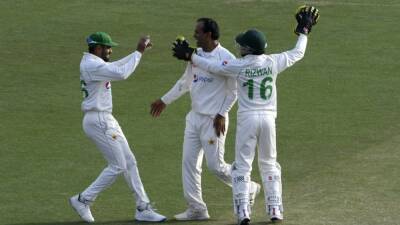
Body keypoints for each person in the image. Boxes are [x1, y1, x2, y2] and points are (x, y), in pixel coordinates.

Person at [172, 6, 320, 225]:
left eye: (242, 45)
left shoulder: (238, 66)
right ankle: (275, 210)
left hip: (248, 119)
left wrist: (191, 55)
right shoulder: (273, 62)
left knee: (242, 166)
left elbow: (211, 66)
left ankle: (243, 213)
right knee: (269, 164)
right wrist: (304, 31)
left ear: (248, 49)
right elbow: (298, 53)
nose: (239, 47)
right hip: (269, 119)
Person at [150, 18, 260, 221]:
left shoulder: (226, 58)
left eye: (198, 32)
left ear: (209, 34)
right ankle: (196, 208)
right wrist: (164, 100)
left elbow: (234, 92)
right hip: (194, 118)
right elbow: (185, 82)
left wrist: (221, 113)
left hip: (213, 120)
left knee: (216, 166)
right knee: (189, 163)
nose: (194, 36)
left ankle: (248, 186)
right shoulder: (196, 55)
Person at [69, 31, 166, 223]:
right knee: (118, 165)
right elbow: (121, 73)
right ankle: (83, 199)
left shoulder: (96, 63)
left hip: (106, 119)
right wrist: (138, 52)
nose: (110, 50)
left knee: (130, 162)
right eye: (107, 47)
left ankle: (142, 207)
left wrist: (138, 53)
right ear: (97, 48)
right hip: (98, 120)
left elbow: (114, 66)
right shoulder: (91, 65)